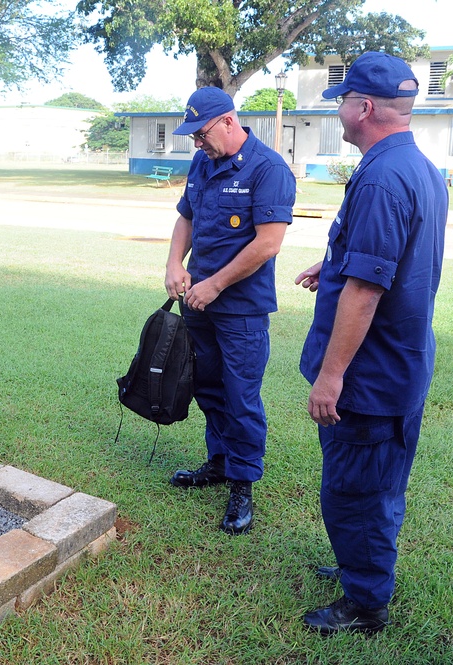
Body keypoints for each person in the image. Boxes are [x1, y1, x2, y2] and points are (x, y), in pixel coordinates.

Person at [295, 52, 447, 634]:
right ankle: (361, 566)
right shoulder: (412, 166)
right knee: (372, 485)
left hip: (370, 373)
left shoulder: (383, 176)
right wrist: (331, 263)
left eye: (341, 101)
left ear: (363, 107)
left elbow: (366, 288)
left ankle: (365, 603)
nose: (337, 111)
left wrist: (332, 376)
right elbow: (380, 257)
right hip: (398, 362)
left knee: (358, 491)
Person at [165, 86, 295, 535]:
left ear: (227, 121)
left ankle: (242, 484)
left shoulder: (268, 168)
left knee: (241, 396)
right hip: (198, 299)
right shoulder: (203, 161)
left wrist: (217, 284)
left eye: (200, 134)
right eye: (193, 138)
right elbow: (187, 217)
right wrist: (173, 265)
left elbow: (269, 242)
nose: (196, 144)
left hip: (239, 307)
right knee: (207, 385)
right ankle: (218, 463)